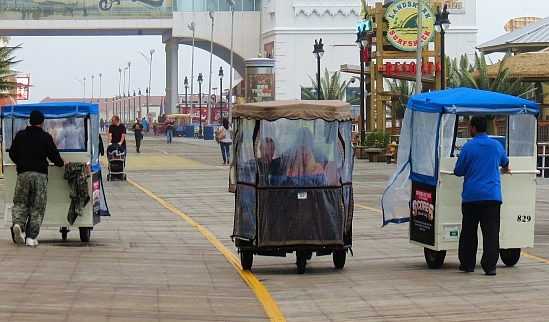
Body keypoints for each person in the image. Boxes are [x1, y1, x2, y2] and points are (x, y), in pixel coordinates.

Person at [453, 115, 511, 276]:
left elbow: (459, 171)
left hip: (472, 196)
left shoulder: (468, 147)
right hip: (492, 196)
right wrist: (505, 169)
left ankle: (467, 264)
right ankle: (490, 266)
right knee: (491, 232)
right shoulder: (496, 146)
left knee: (469, 231)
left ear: (473, 128)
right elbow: (505, 162)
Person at [9, 110, 66, 246]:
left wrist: (22, 163)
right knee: (37, 206)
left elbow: (12, 153)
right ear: (42, 122)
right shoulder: (45, 137)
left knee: (20, 203)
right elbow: (54, 156)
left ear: (29, 121)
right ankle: (31, 237)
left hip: (23, 175)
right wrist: (61, 162)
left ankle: (18, 223)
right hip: (39, 175)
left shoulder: (20, 135)